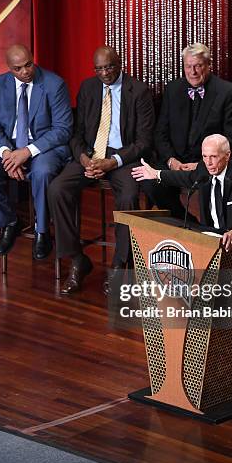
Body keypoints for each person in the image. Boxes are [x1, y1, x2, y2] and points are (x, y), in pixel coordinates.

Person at [132, 134, 232, 400]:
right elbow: (184, 178)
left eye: (214, 157)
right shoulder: (204, 170)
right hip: (220, 252)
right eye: (205, 157)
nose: (209, 162)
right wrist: (156, 174)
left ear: (227, 155)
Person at [48, 45, 155, 295]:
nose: (105, 73)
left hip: (123, 158)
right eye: (99, 68)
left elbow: (143, 141)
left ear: (120, 65)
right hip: (92, 155)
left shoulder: (138, 91)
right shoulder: (88, 88)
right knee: (57, 189)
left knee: (129, 196)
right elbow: (76, 133)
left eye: (109, 67)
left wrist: (113, 161)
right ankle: (77, 259)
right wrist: (85, 159)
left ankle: (120, 264)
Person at [0, 44, 73, 259]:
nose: (25, 71)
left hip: (44, 146)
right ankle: (10, 221)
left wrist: (27, 152)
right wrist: (7, 155)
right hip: (9, 146)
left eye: (28, 64)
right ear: (9, 68)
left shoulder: (54, 84)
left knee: (43, 172)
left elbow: (63, 130)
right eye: (18, 68)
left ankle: (42, 230)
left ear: (32, 59)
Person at [141, 43, 232, 219]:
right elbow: (160, 133)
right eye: (188, 66)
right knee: (150, 183)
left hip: (208, 164)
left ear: (209, 65)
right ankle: (183, 221)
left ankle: (204, 234)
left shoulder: (227, 92)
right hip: (175, 161)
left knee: (208, 189)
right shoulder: (173, 89)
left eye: (198, 66)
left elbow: (231, 139)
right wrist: (172, 161)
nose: (193, 71)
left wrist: (203, 164)